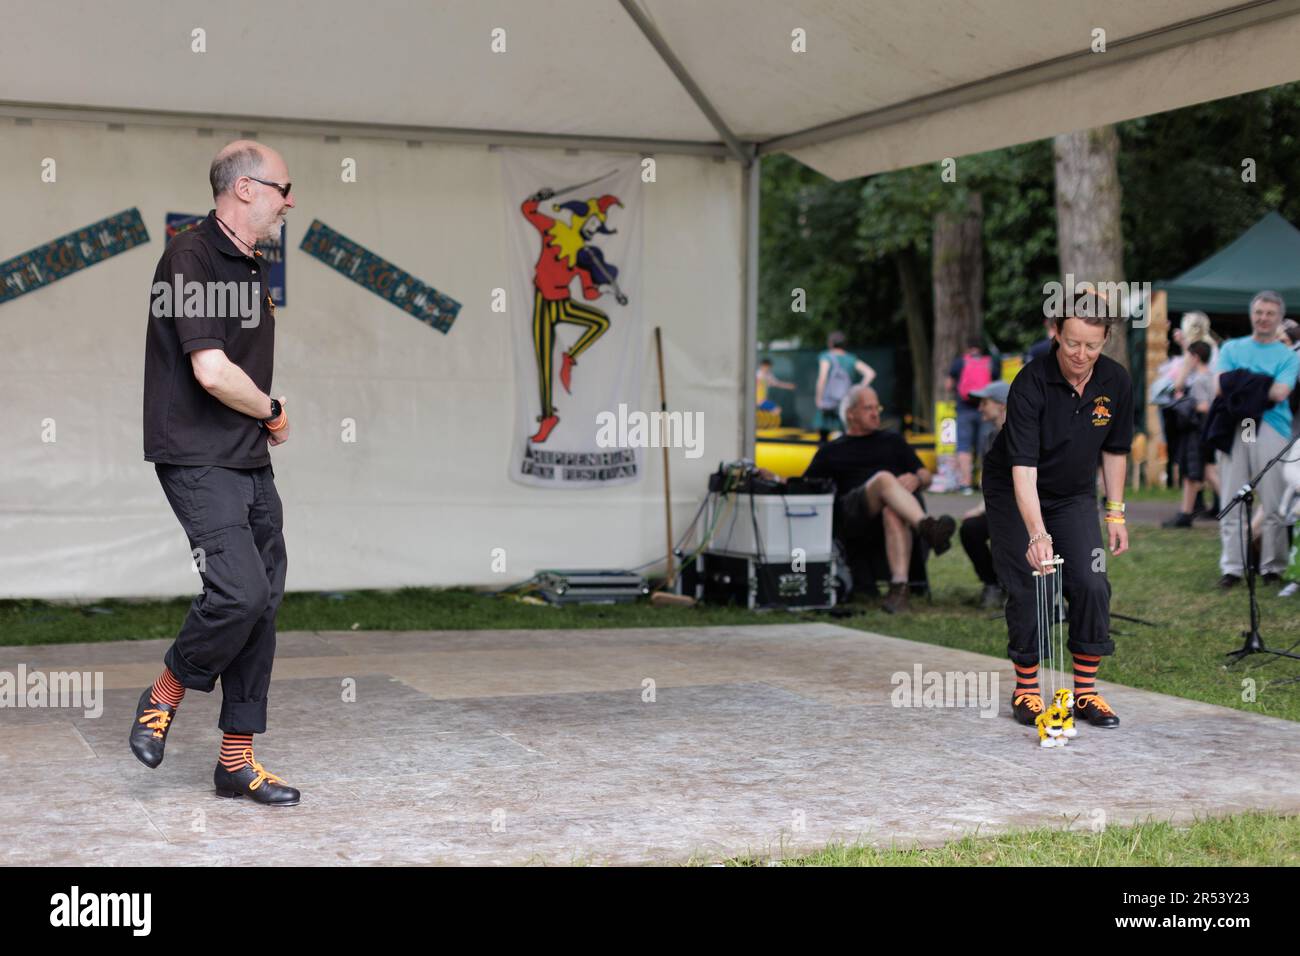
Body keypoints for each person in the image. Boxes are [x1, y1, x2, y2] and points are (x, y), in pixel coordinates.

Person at [133, 140, 300, 806]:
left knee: (263, 601)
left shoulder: (250, 264)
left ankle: (237, 760)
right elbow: (209, 370)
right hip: (199, 457)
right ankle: (165, 692)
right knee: (236, 592)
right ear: (246, 189)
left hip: (247, 458)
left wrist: (258, 426)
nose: (290, 202)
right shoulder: (189, 259)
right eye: (285, 188)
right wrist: (275, 411)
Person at [982, 311, 1134, 731]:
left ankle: (1085, 692)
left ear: (1105, 341)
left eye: (1092, 345)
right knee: (1030, 582)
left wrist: (1115, 512)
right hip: (1015, 489)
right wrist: (1037, 534)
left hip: (1072, 494)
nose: (1081, 354)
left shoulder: (1116, 381)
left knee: (1091, 580)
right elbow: (1023, 470)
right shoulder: (1030, 383)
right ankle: (1026, 689)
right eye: (1072, 343)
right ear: (1056, 335)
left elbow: (1116, 449)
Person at [801, 385, 956, 613]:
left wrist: (915, 479)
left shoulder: (892, 440)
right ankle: (928, 527)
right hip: (851, 514)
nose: (876, 413)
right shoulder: (832, 450)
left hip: (889, 512)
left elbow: (925, 475)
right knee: (884, 479)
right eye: (868, 408)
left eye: (877, 407)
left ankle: (899, 589)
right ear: (850, 413)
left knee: (892, 511)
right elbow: (806, 485)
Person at [1214, 291, 1299, 589]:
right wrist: (1261, 382)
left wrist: (1242, 381)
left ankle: (1272, 566)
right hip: (1237, 425)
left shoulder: (1287, 357)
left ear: (1279, 319)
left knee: (1273, 499)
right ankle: (1233, 567)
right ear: (1252, 315)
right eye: (1259, 312)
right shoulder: (1231, 347)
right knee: (1232, 496)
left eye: (1270, 314)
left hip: (1272, 426)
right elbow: (1220, 385)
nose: (1263, 318)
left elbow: (1280, 393)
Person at [957, 380, 1010, 608]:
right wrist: (981, 507)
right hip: (1000, 507)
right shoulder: (989, 438)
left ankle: (1018, 587)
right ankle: (993, 583)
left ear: (1001, 405)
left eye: (985, 403)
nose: (980, 408)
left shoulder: (1026, 435)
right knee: (971, 528)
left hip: (1025, 509)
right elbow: (990, 483)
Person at [1161, 341, 1216, 528]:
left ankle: (1186, 513)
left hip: (1197, 429)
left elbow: (1205, 405)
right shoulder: (1210, 376)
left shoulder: (1200, 379)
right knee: (1207, 472)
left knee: (1194, 472)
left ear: (1195, 357)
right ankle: (1186, 511)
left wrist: (1186, 403)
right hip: (1205, 430)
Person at [946, 335, 1002, 493]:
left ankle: (965, 483)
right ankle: (985, 483)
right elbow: (995, 385)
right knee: (985, 446)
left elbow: (949, 385)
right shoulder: (990, 362)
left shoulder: (960, 362)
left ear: (967, 347)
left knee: (963, 446)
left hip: (964, 408)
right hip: (985, 409)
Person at [814, 331, 875, 443]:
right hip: (845, 401)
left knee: (823, 435)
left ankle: (824, 458)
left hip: (828, 402)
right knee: (845, 434)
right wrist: (858, 390)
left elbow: (822, 378)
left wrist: (818, 399)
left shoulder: (826, 356)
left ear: (830, 343)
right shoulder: (851, 359)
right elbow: (870, 373)